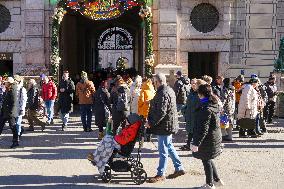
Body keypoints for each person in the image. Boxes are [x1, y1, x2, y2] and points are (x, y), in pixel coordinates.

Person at [147, 73, 185, 183]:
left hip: (164, 125)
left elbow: (161, 112)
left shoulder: (163, 92)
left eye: (154, 82)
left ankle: (161, 173)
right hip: (168, 124)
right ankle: (179, 168)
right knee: (168, 146)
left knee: (163, 149)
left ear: (157, 82)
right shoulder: (169, 89)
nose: (153, 84)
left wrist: (151, 123)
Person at [190, 84, 223, 189]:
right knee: (208, 158)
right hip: (214, 137)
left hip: (208, 139)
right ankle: (217, 180)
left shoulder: (206, 109)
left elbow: (203, 129)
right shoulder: (213, 103)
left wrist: (196, 143)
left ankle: (210, 184)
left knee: (206, 160)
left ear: (200, 94)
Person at [180, 78, 199, 150]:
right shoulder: (190, 93)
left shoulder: (199, 93)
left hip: (196, 116)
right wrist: (184, 112)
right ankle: (188, 144)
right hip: (190, 116)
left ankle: (195, 145)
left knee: (195, 131)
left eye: (194, 83)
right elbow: (187, 104)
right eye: (192, 83)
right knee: (190, 131)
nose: (193, 85)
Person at [0, 77, 19, 148]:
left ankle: (15, 141)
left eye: (6, 82)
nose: (5, 83)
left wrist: (11, 112)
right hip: (4, 112)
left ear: (9, 83)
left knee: (13, 127)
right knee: (0, 125)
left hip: (10, 113)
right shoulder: (7, 90)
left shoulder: (13, 90)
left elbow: (14, 102)